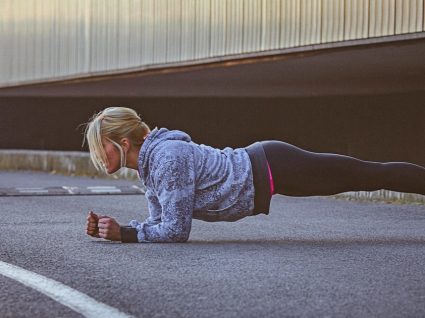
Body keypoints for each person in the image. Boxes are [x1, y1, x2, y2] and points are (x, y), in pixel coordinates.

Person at [84, 107, 425, 243]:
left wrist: (125, 234)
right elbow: (160, 223)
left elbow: (174, 231)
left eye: (101, 148)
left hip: (274, 166)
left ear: (123, 142)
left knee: (369, 175)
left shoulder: (167, 158)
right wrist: (115, 230)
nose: (98, 157)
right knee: (365, 175)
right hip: (270, 170)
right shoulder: (152, 165)